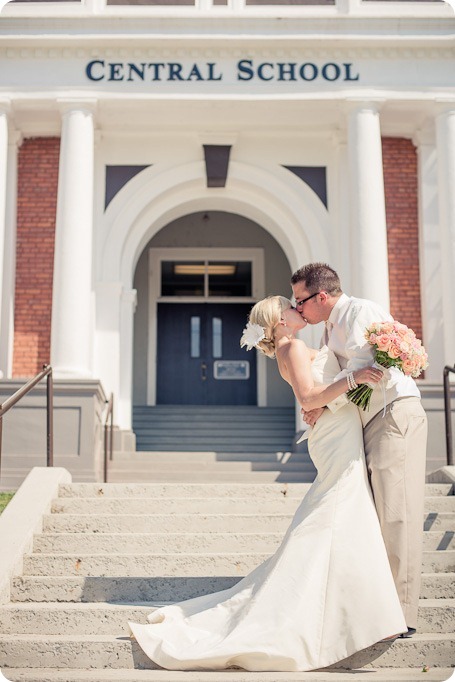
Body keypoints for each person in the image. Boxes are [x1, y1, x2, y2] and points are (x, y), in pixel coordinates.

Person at [128, 295, 407, 672]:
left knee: (342, 513)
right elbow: (308, 395)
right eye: (291, 306)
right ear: (279, 320)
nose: (298, 307)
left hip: (337, 428)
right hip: (335, 437)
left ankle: (355, 603)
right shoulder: (290, 347)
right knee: (333, 511)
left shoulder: (297, 345)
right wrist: (353, 378)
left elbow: (316, 395)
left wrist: (330, 397)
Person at [291, 263, 428, 638]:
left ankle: (403, 614)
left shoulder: (360, 313)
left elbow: (368, 367)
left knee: (396, 512)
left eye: (300, 301)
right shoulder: (329, 329)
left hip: (393, 414)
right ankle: (380, 603)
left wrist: (323, 401)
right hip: (369, 421)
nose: (297, 308)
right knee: (377, 514)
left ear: (322, 296)